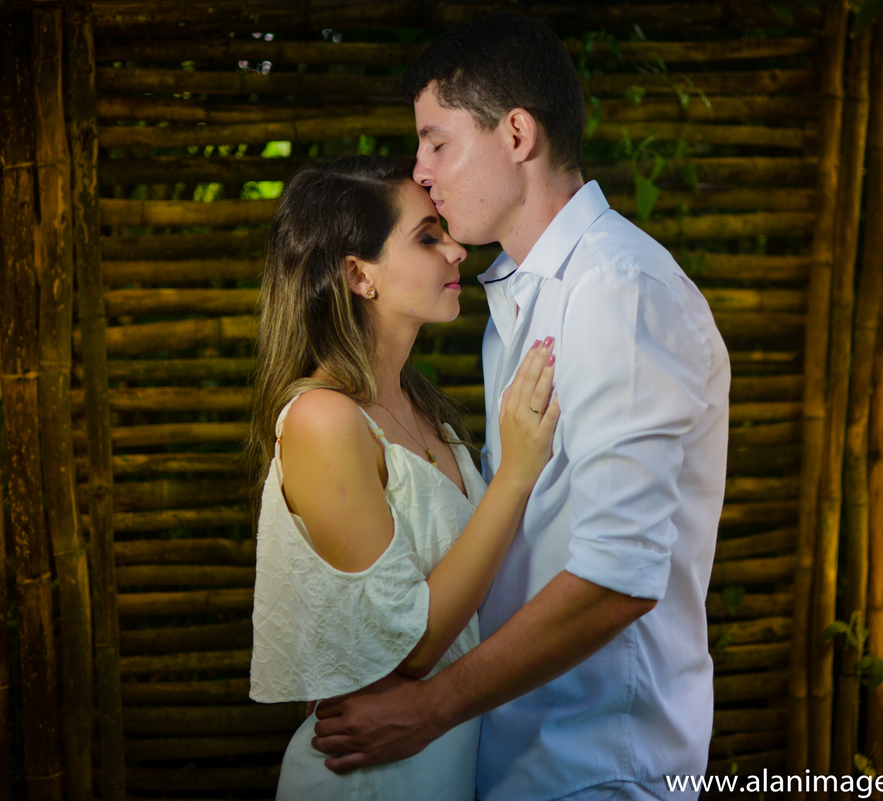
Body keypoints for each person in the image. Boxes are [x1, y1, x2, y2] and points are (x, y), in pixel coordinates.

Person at [310, 14, 730, 801]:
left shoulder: (618, 289)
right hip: (517, 754)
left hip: (599, 764)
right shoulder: (522, 300)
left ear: (515, 134)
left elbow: (619, 578)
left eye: (438, 142)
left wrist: (429, 708)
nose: (421, 170)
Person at [248, 154, 561, 801]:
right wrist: (515, 473)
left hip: (444, 768)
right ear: (359, 275)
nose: (456, 250)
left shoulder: (423, 408)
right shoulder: (322, 420)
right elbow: (409, 647)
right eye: (427, 236)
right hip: (367, 780)